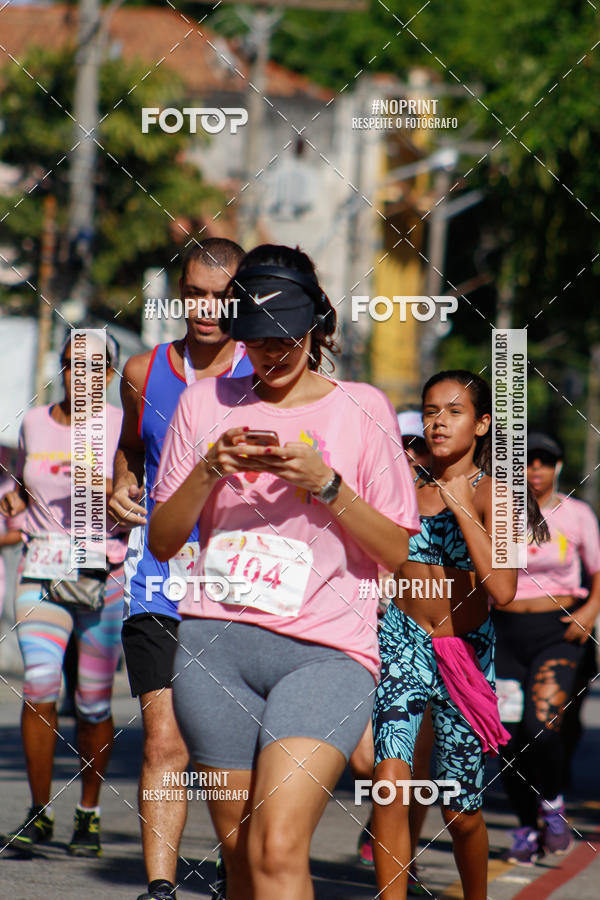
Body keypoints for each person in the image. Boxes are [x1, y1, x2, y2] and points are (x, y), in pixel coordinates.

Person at [147, 243, 421, 900]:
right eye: (256, 338)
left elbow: (397, 552)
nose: (270, 353)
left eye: (284, 337)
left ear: (315, 328)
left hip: (326, 652)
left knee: (277, 845)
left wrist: (328, 486)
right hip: (216, 647)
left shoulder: (362, 407)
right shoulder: (206, 403)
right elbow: (162, 541)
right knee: (243, 858)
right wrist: (209, 468)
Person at [108, 238, 252, 900]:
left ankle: (237, 874)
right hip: (160, 582)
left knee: (231, 755)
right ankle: (161, 889)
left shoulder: (265, 372)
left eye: (222, 297)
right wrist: (119, 484)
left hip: (243, 588)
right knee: (165, 743)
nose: (206, 308)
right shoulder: (143, 371)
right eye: (195, 292)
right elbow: (132, 449)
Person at [372, 370, 548, 900]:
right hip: (402, 641)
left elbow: (505, 588)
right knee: (389, 786)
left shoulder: (498, 494)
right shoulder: (400, 481)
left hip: (465, 656)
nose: (439, 422)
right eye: (430, 411)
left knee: (459, 809)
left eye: (454, 411)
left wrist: (461, 507)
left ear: (483, 423)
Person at [0, 332, 127, 857]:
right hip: (42, 569)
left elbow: (138, 495)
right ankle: (39, 810)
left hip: (103, 575)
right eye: (74, 365)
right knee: (40, 685)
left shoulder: (123, 428)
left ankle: (89, 813)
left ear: (112, 376)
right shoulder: (34, 423)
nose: (83, 376)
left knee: (93, 704)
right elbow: (29, 486)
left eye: (96, 367)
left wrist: (112, 493)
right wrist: (13, 500)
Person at [494, 432, 600, 865]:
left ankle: (552, 803)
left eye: (544, 461)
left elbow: (598, 570)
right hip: (503, 631)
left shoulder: (576, 514)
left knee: (542, 725)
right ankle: (524, 827)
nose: (534, 469)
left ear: (557, 467)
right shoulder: (500, 513)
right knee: (506, 736)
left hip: (559, 630)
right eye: (526, 461)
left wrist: (590, 611)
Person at [356, 410, 434, 879]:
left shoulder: (439, 502)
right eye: (400, 444)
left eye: (417, 446)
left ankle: (399, 847)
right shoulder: (362, 494)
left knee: (409, 760)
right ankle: (386, 819)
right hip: (356, 633)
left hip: (413, 642)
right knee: (365, 756)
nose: (408, 454)